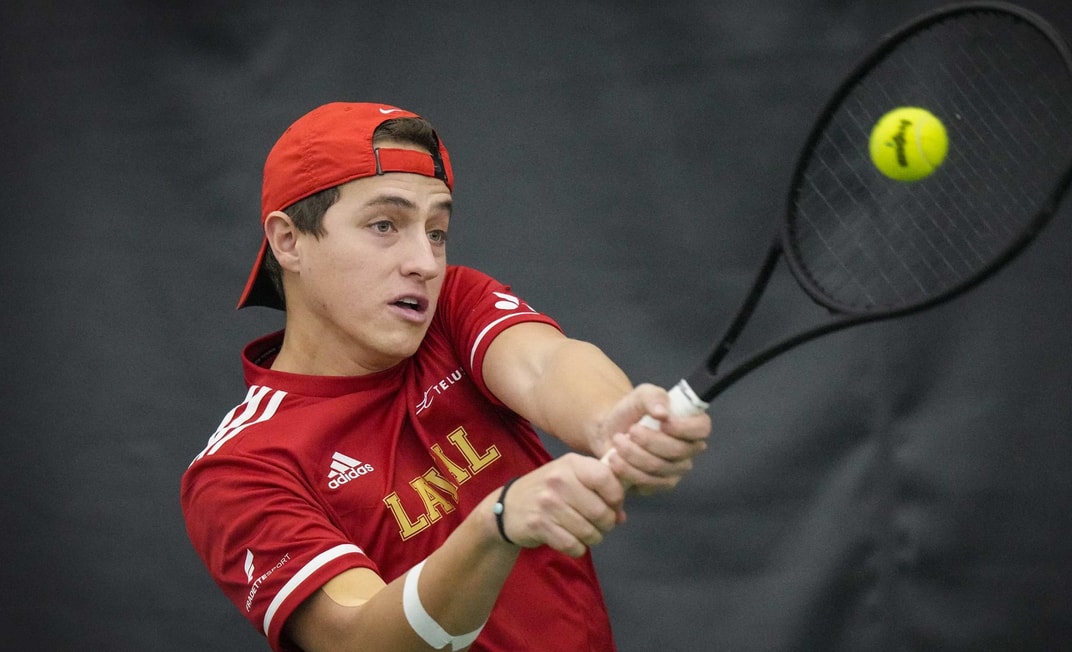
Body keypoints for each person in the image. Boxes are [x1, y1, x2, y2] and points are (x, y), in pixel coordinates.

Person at [180, 101, 712, 652]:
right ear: (289, 241)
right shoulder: (239, 469)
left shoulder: (452, 309)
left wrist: (610, 420)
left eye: (436, 231)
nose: (426, 263)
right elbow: (356, 640)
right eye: (385, 225)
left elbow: (545, 365)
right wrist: (495, 527)